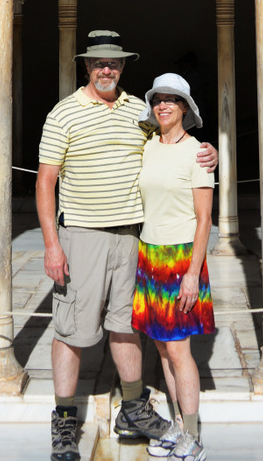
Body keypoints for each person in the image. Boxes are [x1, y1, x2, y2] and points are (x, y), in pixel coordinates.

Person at [37, 30, 218, 461]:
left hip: (132, 237)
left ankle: (134, 407)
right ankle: (64, 422)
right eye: (99, 63)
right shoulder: (63, 114)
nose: (106, 70)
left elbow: (174, 143)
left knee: (125, 324)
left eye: (114, 64)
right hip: (82, 234)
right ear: (86, 66)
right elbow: (45, 181)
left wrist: (207, 152)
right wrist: (52, 244)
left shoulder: (139, 110)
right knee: (71, 329)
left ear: (122, 68)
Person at [132, 73, 214, 461]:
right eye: (158, 99)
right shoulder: (147, 145)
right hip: (150, 254)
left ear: (185, 108)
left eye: (172, 100)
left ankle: (193, 436)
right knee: (163, 350)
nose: (163, 105)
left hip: (181, 258)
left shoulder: (197, 151)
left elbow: (204, 220)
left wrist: (193, 274)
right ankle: (177, 426)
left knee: (180, 351)